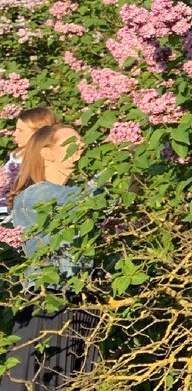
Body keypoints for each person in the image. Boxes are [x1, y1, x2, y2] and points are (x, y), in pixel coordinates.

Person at [0, 124, 98, 390]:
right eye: (71, 143)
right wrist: (125, 161)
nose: (81, 148)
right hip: (50, 306)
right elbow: (93, 200)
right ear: (47, 153)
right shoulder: (36, 194)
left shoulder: (68, 195)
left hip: (79, 304)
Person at [0, 108, 57, 224]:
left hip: (13, 216)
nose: (15, 134)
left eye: (20, 130)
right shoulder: (15, 154)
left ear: (38, 133)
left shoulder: (43, 159)